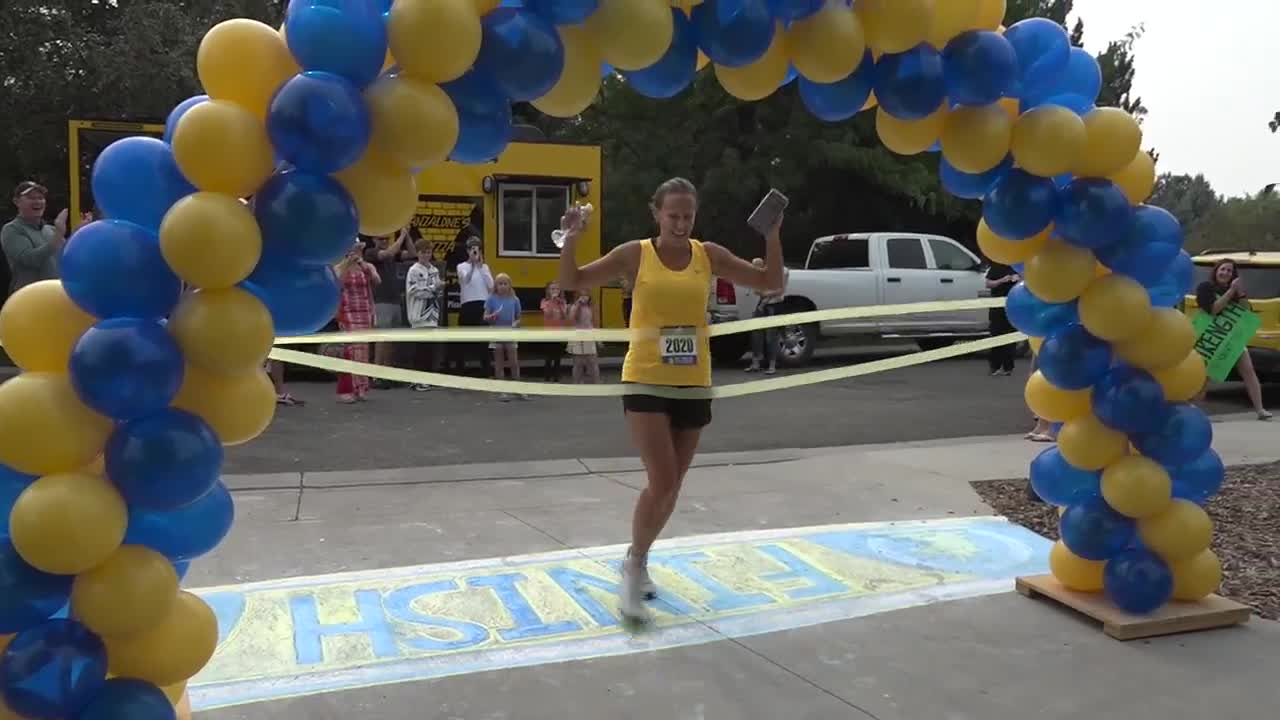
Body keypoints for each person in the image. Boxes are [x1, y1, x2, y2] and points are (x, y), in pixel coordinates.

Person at [557, 177, 784, 623]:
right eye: (673, 215)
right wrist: (570, 240)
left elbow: (769, 282)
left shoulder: (708, 254)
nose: (680, 224)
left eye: (687, 216)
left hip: (693, 380)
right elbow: (573, 281)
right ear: (656, 213)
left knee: (672, 487)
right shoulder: (635, 254)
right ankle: (632, 566)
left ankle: (639, 555)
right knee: (661, 480)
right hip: (644, 377)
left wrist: (772, 234)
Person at [1196, 259, 1271, 420]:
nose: (1225, 273)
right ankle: (1196, 410)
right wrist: (1230, 292)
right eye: (1223, 269)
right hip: (1211, 337)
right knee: (1204, 375)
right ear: (1216, 271)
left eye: (1229, 271)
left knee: (1248, 371)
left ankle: (1260, 409)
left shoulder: (1235, 290)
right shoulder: (1205, 288)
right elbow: (1213, 310)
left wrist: (1241, 292)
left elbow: (1246, 310)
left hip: (1232, 337)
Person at [366, 227, 416, 387]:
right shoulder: (371, 253)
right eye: (381, 239)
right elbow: (387, 253)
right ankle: (376, 375)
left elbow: (413, 253)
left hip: (394, 301)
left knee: (391, 340)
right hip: (381, 300)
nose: (385, 242)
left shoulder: (392, 255)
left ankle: (386, 374)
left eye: (386, 239)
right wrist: (401, 236)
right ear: (374, 240)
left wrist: (407, 236)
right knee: (381, 339)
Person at [334, 242, 380, 403]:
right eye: (353, 248)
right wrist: (347, 263)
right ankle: (345, 389)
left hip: (364, 311)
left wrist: (362, 264)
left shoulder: (366, 266)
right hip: (347, 312)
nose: (356, 251)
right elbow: (335, 283)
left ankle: (361, 388)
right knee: (349, 351)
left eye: (359, 248)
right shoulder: (339, 266)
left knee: (363, 352)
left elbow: (376, 281)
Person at [2, 182, 68, 293]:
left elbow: (67, 257)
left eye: (41, 198)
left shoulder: (51, 230)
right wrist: (59, 235)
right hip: (28, 299)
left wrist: (79, 232)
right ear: (16, 202)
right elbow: (31, 259)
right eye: (31, 198)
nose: (37, 201)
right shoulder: (12, 229)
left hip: (57, 297)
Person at [405, 243, 444, 392]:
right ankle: (416, 380)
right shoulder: (413, 270)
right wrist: (434, 289)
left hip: (432, 314)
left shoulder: (434, 270)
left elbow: (437, 293)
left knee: (429, 349)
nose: (426, 255)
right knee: (420, 349)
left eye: (428, 252)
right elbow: (414, 291)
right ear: (418, 253)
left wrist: (437, 290)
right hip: (418, 315)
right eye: (423, 252)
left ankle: (427, 379)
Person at [455, 236, 494, 375]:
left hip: (482, 305)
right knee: (463, 340)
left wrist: (480, 266)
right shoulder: (461, 266)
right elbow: (465, 280)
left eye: (477, 249)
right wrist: (472, 265)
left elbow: (491, 285)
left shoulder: (485, 267)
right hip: (467, 305)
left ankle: (486, 371)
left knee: (483, 341)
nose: (475, 252)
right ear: (467, 251)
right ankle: (461, 372)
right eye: (472, 249)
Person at [484, 272, 525, 401]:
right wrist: (491, 317)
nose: (502, 286)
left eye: (505, 283)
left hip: (510, 334)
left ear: (509, 285)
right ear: (495, 286)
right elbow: (485, 316)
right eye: (500, 284)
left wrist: (515, 323)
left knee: (514, 362)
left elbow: (519, 317)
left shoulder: (514, 299)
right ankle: (502, 391)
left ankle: (518, 389)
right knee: (499, 363)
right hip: (496, 334)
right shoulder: (491, 299)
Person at [746, 257, 789, 375]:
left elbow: (779, 290)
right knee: (756, 333)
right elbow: (758, 290)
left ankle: (772, 365)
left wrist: (765, 294)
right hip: (763, 305)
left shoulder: (783, 271)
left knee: (771, 336)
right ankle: (755, 363)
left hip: (775, 306)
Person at [985, 260, 1019, 377]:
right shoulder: (996, 267)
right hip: (997, 307)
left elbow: (1026, 282)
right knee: (996, 334)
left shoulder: (1016, 266)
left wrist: (1017, 279)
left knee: (1010, 336)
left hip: (1012, 305)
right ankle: (995, 366)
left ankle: (1008, 367)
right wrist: (1002, 280)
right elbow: (988, 283)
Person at [567, 291, 600, 384]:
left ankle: (596, 382)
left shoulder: (592, 307)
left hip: (589, 335)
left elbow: (595, 322)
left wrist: (598, 338)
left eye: (586, 295)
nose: (584, 297)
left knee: (593, 361)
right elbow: (572, 318)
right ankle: (577, 382)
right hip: (577, 336)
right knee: (578, 363)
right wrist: (578, 305)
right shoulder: (573, 306)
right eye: (581, 295)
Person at [540, 281, 568, 382]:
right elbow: (548, 314)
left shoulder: (563, 302)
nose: (555, 291)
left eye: (556, 289)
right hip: (548, 333)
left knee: (557, 356)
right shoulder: (544, 301)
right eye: (552, 289)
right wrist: (552, 301)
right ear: (548, 291)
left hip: (559, 333)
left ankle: (556, 376)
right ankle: (547, 376)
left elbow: (564, 316)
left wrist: (559, 304)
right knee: (548, 356)